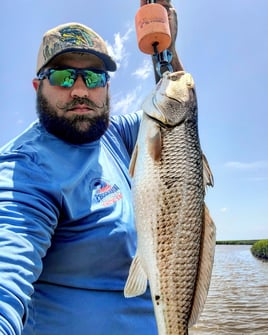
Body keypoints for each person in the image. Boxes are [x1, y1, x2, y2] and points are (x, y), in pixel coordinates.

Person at [0, 1, 183, 334]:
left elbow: (176, 111)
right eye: (62, 75)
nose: (80, 90)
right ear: (37, 86)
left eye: (94, 76)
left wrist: (164, 49)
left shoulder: (114, 133)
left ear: (107, 87)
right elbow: (7, 271)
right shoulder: (24, 170)